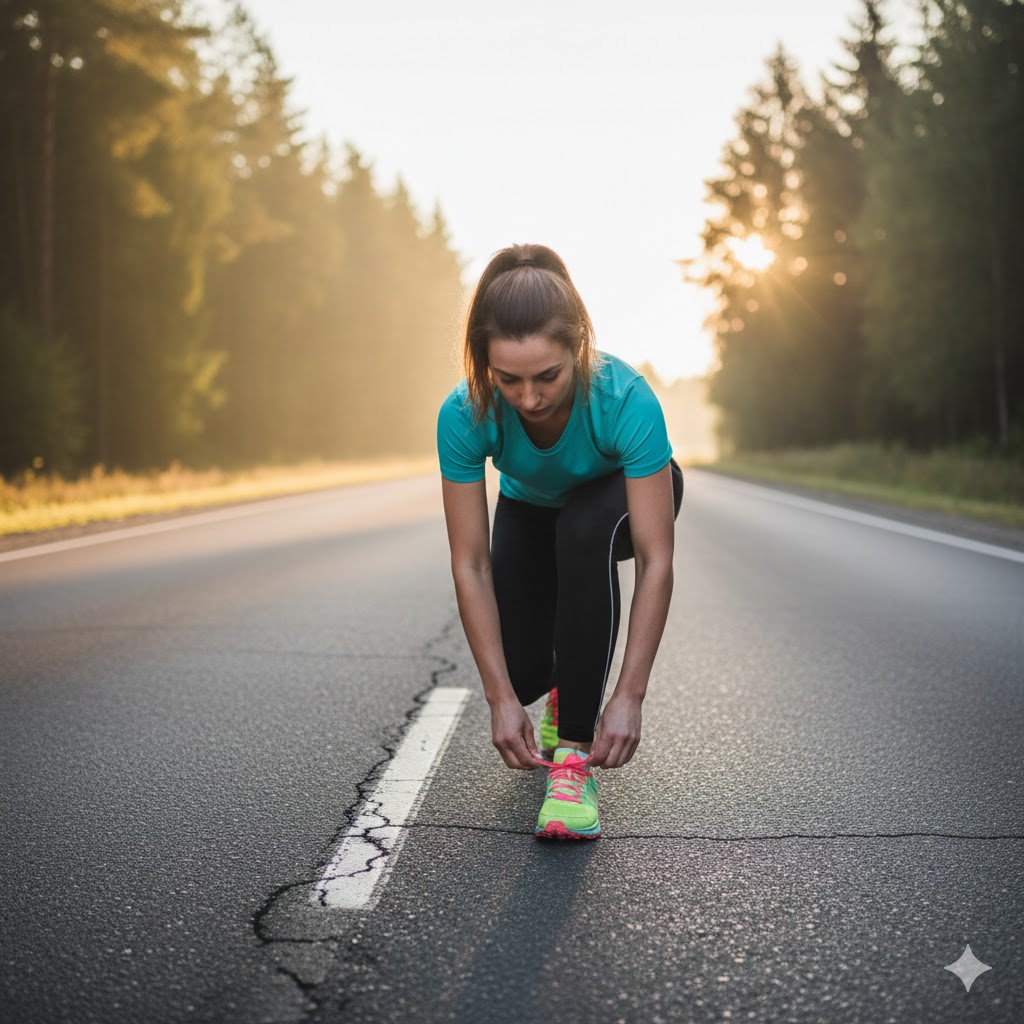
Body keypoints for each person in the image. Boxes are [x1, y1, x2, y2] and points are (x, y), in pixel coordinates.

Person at [437, 242, 683, 840]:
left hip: (620, 502)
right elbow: (470, 564)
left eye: (547, 376)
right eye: (508, 380)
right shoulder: (465, 412)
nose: (529, 399)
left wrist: (629, 697)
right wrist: (499, 699)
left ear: (578, 348)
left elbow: (656, 561)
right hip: (530, 504)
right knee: (520, 673)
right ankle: (560, 688)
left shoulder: (625, 397)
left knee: (583, 529)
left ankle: (573, 761)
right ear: (484, 366)